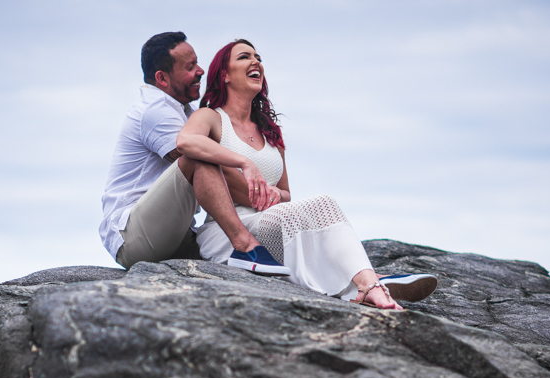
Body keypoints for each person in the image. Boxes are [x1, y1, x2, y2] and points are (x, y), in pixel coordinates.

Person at [176, 39, 438, 309]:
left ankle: (365, 283)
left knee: (314, 214)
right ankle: (372, 282)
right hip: (229, 232)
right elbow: (186, 142)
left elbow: (287, 194)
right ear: (224, 74)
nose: (256, 62)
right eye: (244, 57)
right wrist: (244, 162)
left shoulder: (270, 131)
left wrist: (277, 193)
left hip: (269, 221)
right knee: (320, 205)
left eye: (258, 57)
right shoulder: (210, 117)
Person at [100, 32, 289, 275]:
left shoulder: (187, 113)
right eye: (190, 67)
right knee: (199, 156)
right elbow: (199, 159)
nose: (200, 71)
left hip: (176, 234)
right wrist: (255, 181)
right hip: (134, 236)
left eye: (197, 63)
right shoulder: (155, 109)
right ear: (162, 78)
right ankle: (244, 245)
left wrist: (269, 195)